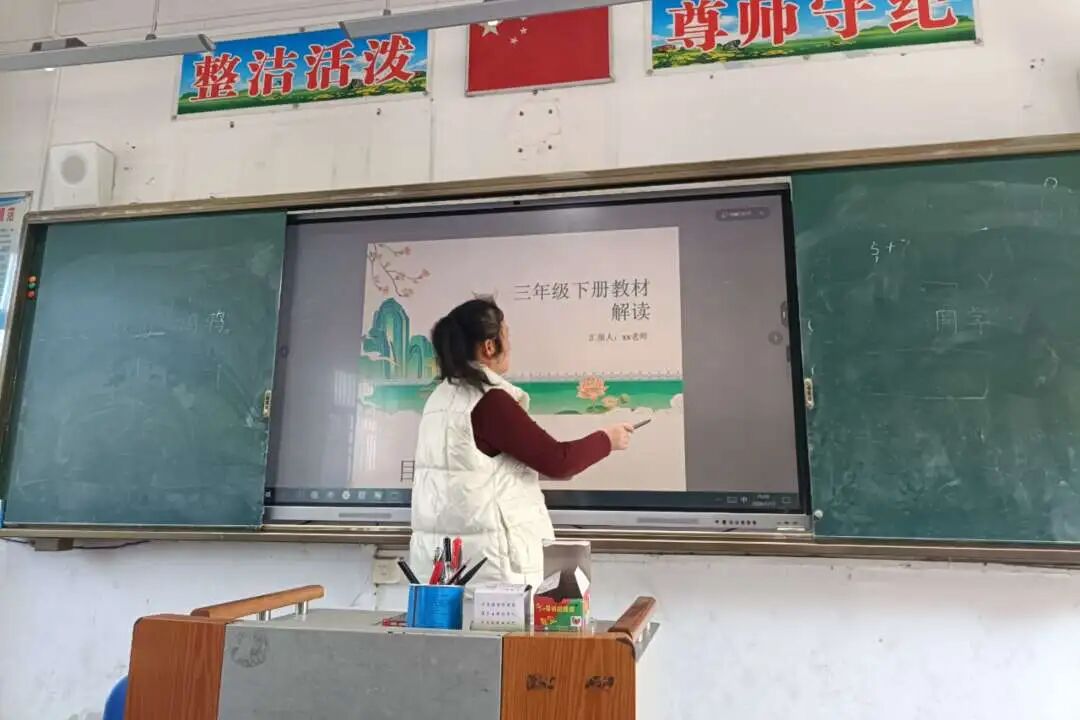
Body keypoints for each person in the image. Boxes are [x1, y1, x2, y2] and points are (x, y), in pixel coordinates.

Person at [410, 297, 634, 587]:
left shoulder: (439, 399)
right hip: (492, 571)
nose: (510, 345)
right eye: (506, 335)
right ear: (489, 346)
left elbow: (478, 469)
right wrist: (607, 439)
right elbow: (558, 461)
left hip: (445, 569)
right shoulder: (489, 401)